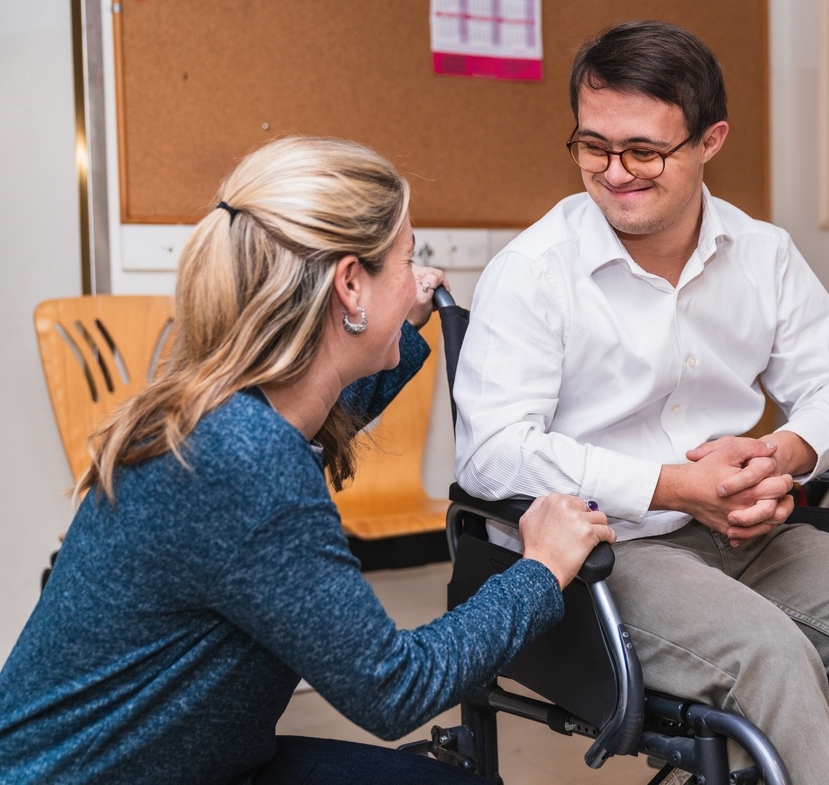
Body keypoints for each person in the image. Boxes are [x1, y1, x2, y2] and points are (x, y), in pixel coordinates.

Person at [453, 21, 829, 784]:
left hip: (745, 532)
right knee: (770, 653)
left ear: (709, 140)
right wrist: (669, 486)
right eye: (593, 146)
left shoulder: (763, 255)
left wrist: (780, 455)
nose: (615, 173)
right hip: (604, 548)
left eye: (645, 151)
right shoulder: (532, 272)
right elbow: (490, 451)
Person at [0, 136, 615, 785]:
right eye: (411, 258)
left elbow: (329, 404)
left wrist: (395, 329)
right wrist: (541, 568)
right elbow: (395, 687)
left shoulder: (223, 407)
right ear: (350, 285)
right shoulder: (246, 461)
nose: (419, 276)